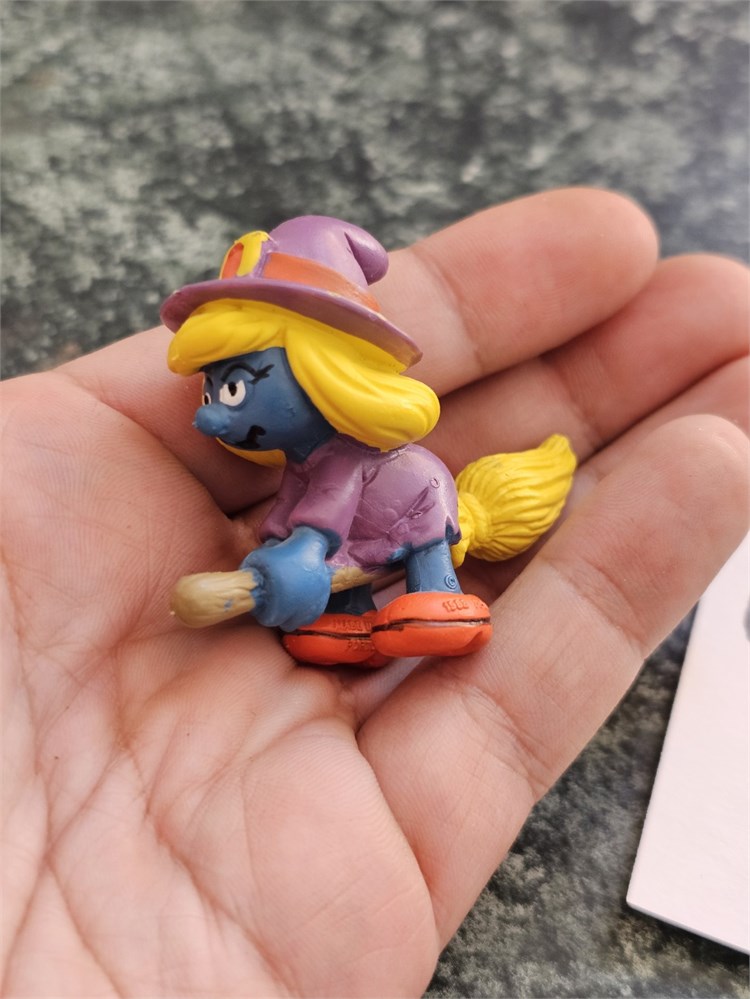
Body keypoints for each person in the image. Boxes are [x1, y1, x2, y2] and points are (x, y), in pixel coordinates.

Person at [2, 188, 747, 997]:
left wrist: (298, 560)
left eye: (236, 388)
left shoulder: (354, 461)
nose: (212, 417)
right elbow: (298, 516)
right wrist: (288, 558)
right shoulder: (306, 462)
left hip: (407, 510)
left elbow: (317, 526)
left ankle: (436, 592)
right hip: (350, 548)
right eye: (213, 392)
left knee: (427, 549)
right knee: (334, 599)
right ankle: (357, 620)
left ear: (322, 373)